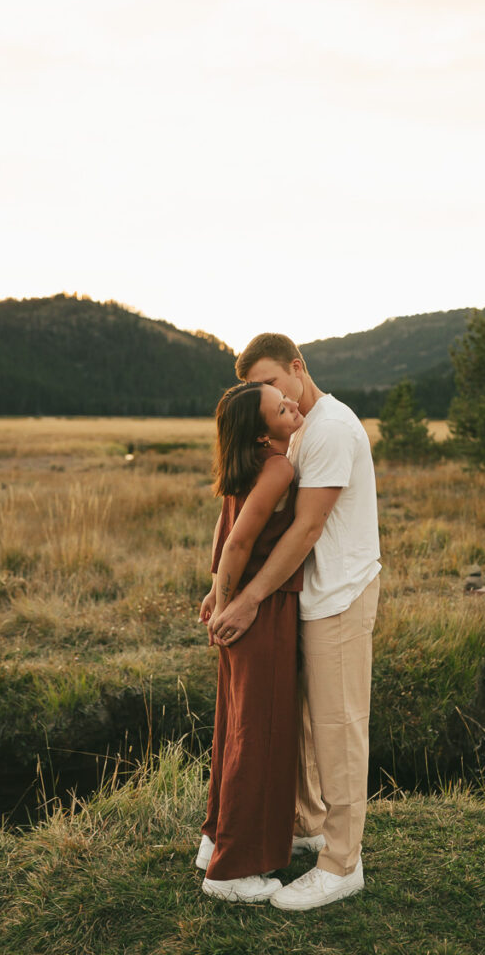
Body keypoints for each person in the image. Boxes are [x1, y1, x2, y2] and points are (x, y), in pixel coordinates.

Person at [207, 333, 381, 912]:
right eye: (264, 394)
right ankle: (308, 827)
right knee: (304, 726)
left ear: (297, 368)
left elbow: (306, 529)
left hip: (337, 595)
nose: (277, 398)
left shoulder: (329, 428)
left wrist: (247, 597)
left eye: (276, 384)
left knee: (339, 727)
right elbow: (239, 517)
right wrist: (223, 588)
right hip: (303, 598)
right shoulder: (295, 431)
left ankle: (341, 864)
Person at [197, 380, 305, 903]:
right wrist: (229, 599)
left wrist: (218, 593)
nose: (292, 404)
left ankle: (216, 837)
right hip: (261, 613)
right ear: (264, 436)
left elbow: (228, 536)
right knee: (257, 737)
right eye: (280, 407)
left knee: (236, 728)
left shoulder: (244, 471)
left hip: (239, 609)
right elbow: (240, 540)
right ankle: (231, 873)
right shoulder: (278, 467)